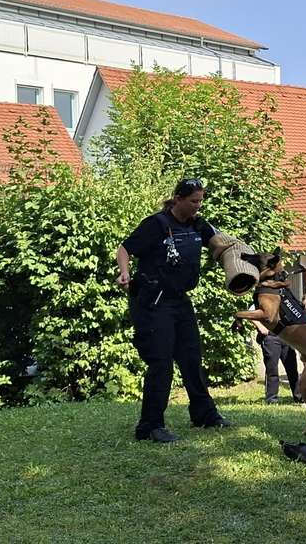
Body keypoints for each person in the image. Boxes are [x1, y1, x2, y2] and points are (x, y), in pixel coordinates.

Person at [115, 178, 232, 443]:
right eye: (193, 201)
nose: (197, 206)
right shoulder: (155, 224)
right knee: (161, 362)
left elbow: (225, 244)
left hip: (180, 301)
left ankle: (204, 414)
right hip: (153, 304)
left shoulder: (199, 226)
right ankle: (150, 427)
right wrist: (124, 273)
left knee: (191, 358)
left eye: (201, 201)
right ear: (178, 198)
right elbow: (125, 249)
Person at [251, 319, 302, 405]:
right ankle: (271, 399)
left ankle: (300, 397)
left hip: (287, 337)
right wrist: (260, 327)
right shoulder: (263, 304)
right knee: (272, 369)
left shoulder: (288, 305)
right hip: (271, 337)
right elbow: (250, 312)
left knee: (292, 369)